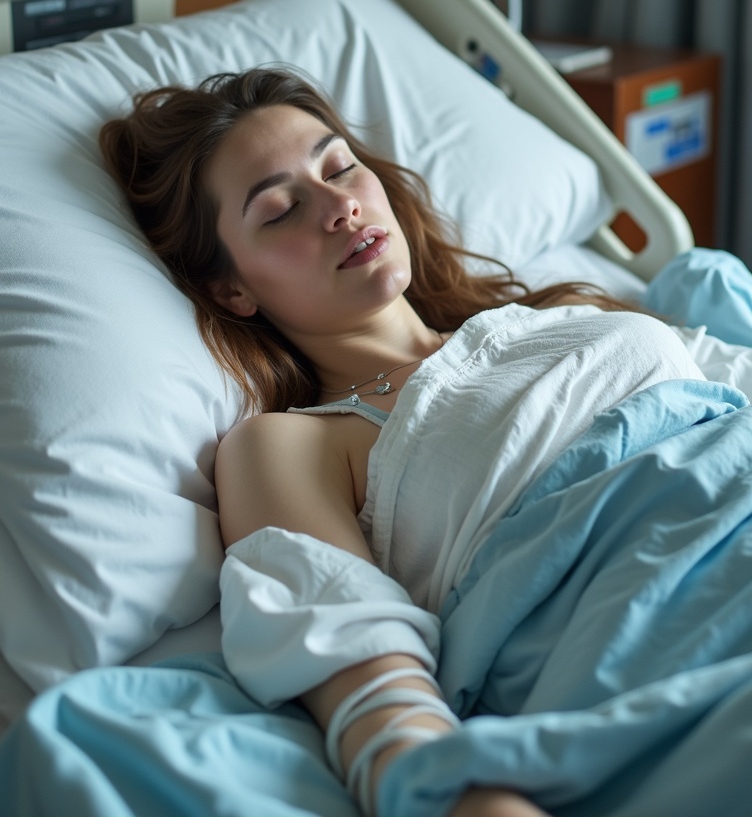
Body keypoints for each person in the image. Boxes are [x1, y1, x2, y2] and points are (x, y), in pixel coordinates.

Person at [99, 66, 713, 817]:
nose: (339, 205)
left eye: (341, 166)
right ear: (234, 290)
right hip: (666, 618)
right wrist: (458, 797)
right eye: (282, 209)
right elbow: (355, 657)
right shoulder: (290, 446)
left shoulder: (555, 314)